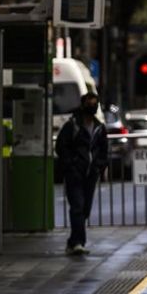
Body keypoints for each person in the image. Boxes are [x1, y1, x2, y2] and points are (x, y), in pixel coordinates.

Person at [54, 91, 108, 256]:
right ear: (83, 105)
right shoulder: (72, 125)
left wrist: (98, 167)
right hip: (75, 174)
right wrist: (71, 165)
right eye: (90, 103)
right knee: (77, 206)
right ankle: (78, 242)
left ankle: (72, 241)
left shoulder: (99, 127)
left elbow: (103, 150)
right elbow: (61, 146)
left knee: (85, 209)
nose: (92, 106)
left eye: (95, 103)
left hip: (90, 174)